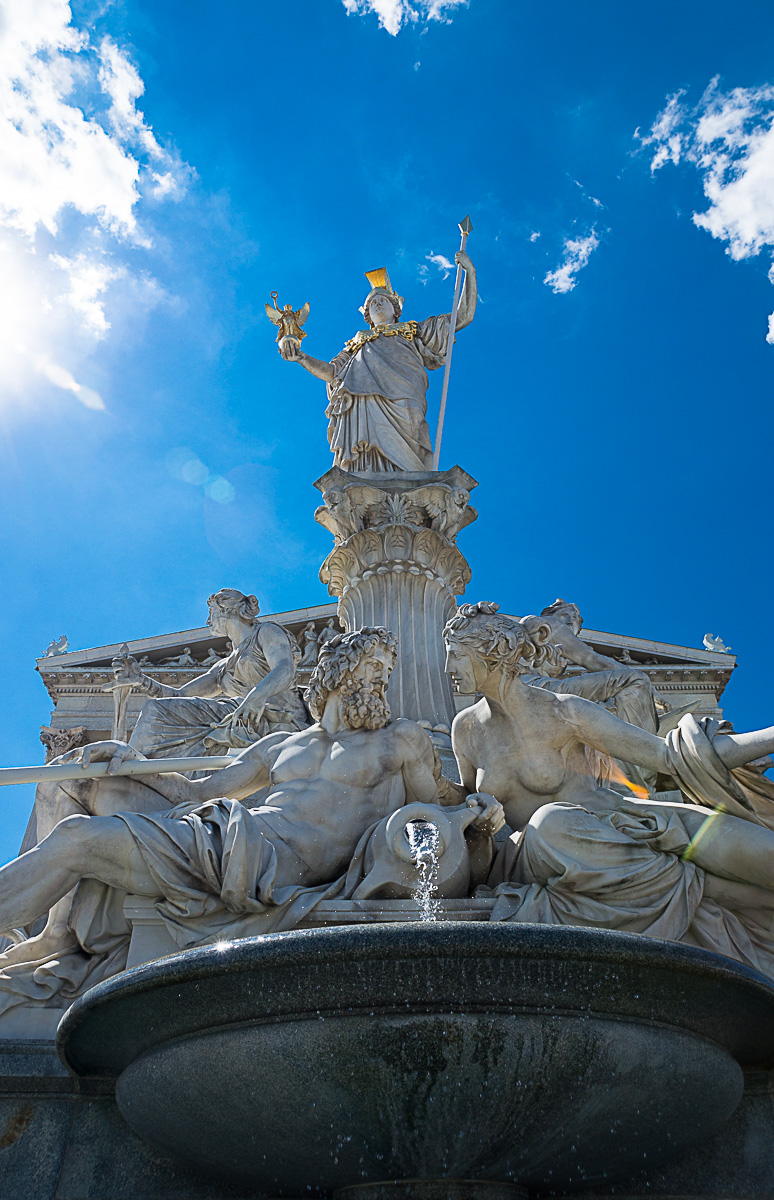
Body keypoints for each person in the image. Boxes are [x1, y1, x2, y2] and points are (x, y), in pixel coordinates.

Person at [0, 627, 501, 1012]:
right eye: (371, 668)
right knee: (73, 776)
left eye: (385, 675)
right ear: (333, 672)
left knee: (75, 840)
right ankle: (57, 933)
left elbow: (432, 806)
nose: (380, 683)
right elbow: (195, 791)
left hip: (265, 865)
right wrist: (121, 753)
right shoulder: (280, 745)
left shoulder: (401, 739)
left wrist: (478, 808)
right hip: (227, 830)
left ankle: (54, 931)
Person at [443, 601, 774, 977]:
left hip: (628, 820)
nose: (447, 669)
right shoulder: (465, 730)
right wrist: (471, 811)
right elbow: (472, 821)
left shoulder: (565, 711)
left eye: (455, 656)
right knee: (549, 823)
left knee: (765, 854)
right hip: (550, 847)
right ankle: (713, 891)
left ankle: (705, 884)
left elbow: (668, 757)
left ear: (494, 653)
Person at [279, 256, 477, 472]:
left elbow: (462, 317)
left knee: (413, 449)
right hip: (362, 401)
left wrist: (470, 273)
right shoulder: (355, 344)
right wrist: (302, 358)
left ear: (396, 309)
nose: (378, 304)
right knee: (364, 460)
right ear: (368, 316)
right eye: (372, 304)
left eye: (383, 301)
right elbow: (332, 372)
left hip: (405, 394)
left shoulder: (413, 331)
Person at [119, 588, 308, 758]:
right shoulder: (223, 666)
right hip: (241, 716)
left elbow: (285, 667)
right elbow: (180, 696)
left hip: (278, 716)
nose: (208, 621)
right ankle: (136, 770)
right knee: (155, 710)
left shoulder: (266, 632)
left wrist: (257, 696)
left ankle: (130, 771)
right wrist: (141, 681)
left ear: (227, 610)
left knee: (161, 713)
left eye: (212, 613)